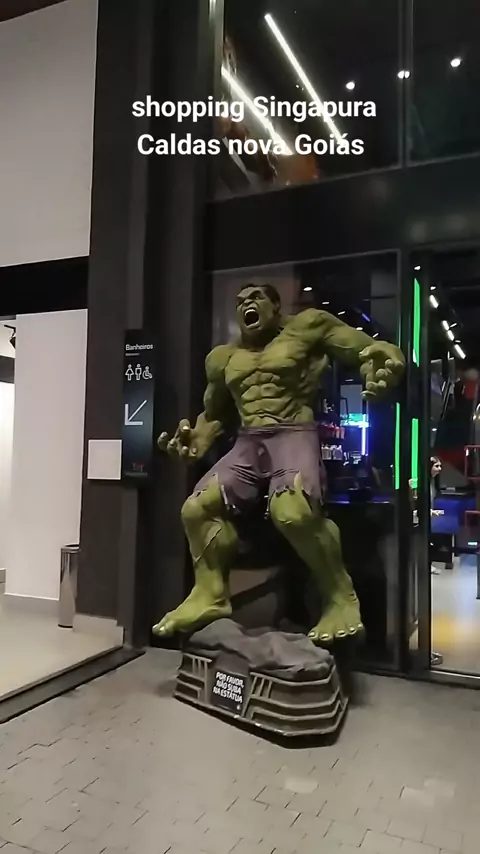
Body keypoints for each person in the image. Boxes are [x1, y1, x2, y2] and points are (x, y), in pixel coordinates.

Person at [154, 284, 405, 644]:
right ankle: (210, 593)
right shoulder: (223, 358)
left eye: (256, 297)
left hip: (293, 431)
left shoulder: (308, 327)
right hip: (248, 441)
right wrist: (196, 439)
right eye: (240, 301)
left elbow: (365, 349)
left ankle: (340, 598)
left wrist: (383, 359)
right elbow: (215, 414)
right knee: (195, 510)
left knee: (292, 512)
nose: (247, 304)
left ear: (275, 306)